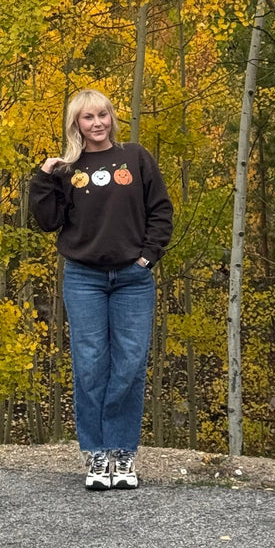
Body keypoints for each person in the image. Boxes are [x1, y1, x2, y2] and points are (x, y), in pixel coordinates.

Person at [30, 87, 173, 491]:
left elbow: (160, 210)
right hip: (84, 278)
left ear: (112, 118)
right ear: (76, 123)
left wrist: (147, 256)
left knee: (129, 364)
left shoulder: (136, 157)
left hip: (133, 279)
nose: (97, 124)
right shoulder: (66, 169)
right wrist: (43, 178)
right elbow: (47, 221)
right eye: (87, 118)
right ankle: (96, 455)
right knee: (90, 366)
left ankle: (123, 452)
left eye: (103, 115)